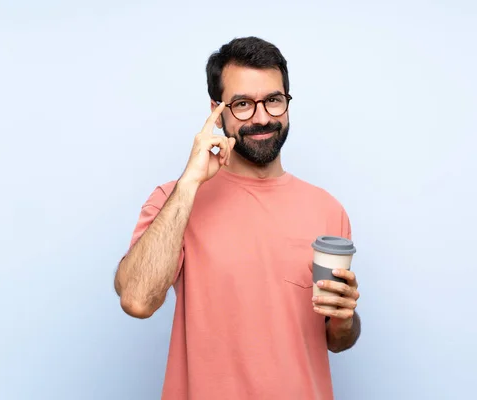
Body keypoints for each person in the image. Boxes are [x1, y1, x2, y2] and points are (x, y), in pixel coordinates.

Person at [114, 36, 362, 400]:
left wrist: (345, 318)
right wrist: (191, 182)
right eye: (243, 104)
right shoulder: (175, 199)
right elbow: (137, 300)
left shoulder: (327, 210)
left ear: (287, 103)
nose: (262, 118)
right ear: (218, 111)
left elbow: (337, 339)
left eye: (274, 101)